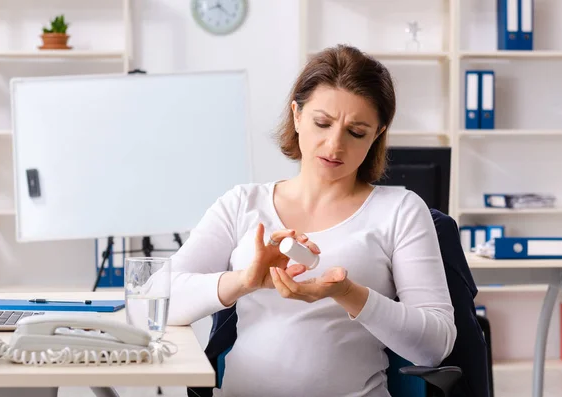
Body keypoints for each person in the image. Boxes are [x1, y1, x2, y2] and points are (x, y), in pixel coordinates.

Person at [168, 44, 457, 397]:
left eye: (357, 132)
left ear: (378, 133)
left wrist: (349, 294)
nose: (334, 146)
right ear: (297, 116)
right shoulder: (243, 203)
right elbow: (155, 299)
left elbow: (435, 346)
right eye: (322, 123)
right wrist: (244, 280)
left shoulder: (400, 210)